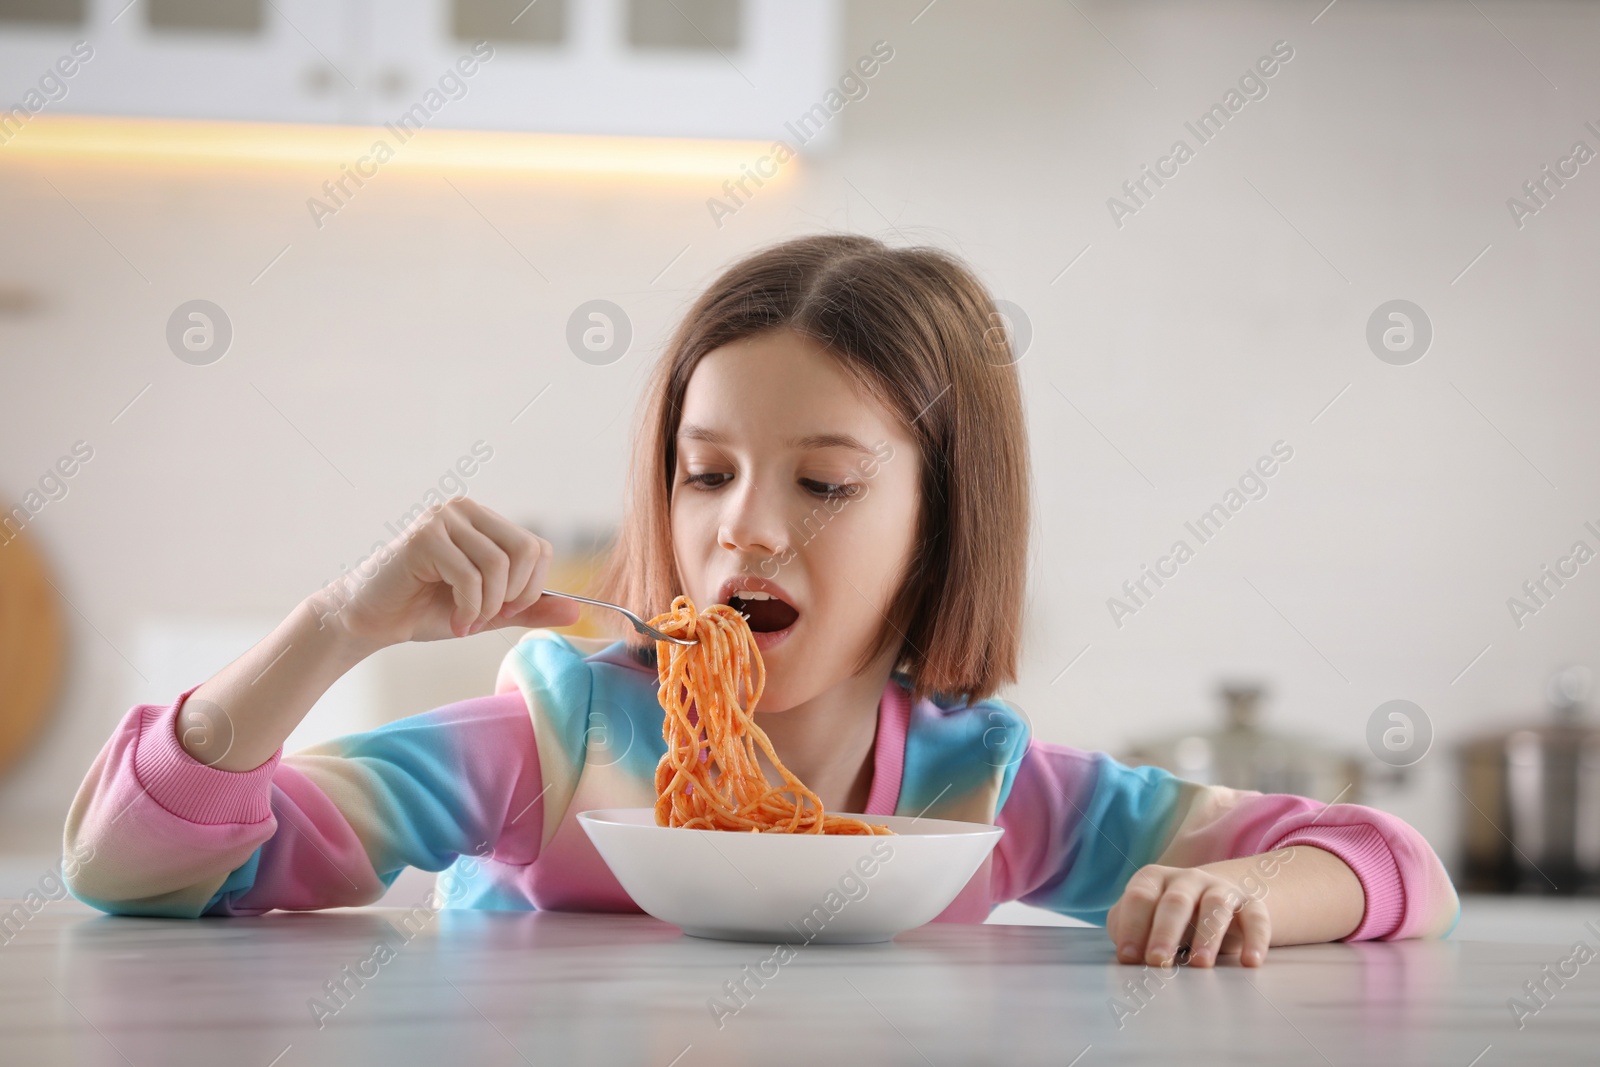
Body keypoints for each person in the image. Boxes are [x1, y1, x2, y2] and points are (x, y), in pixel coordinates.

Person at [63, 235, 1458, 968]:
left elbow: (1393, 863)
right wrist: (339, 627)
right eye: (706, 473)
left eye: (829, 485)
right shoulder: (556, 748)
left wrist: (1244, 897)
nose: (746, 533)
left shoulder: (982, 795)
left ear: (941, 525)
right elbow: (137, 873)